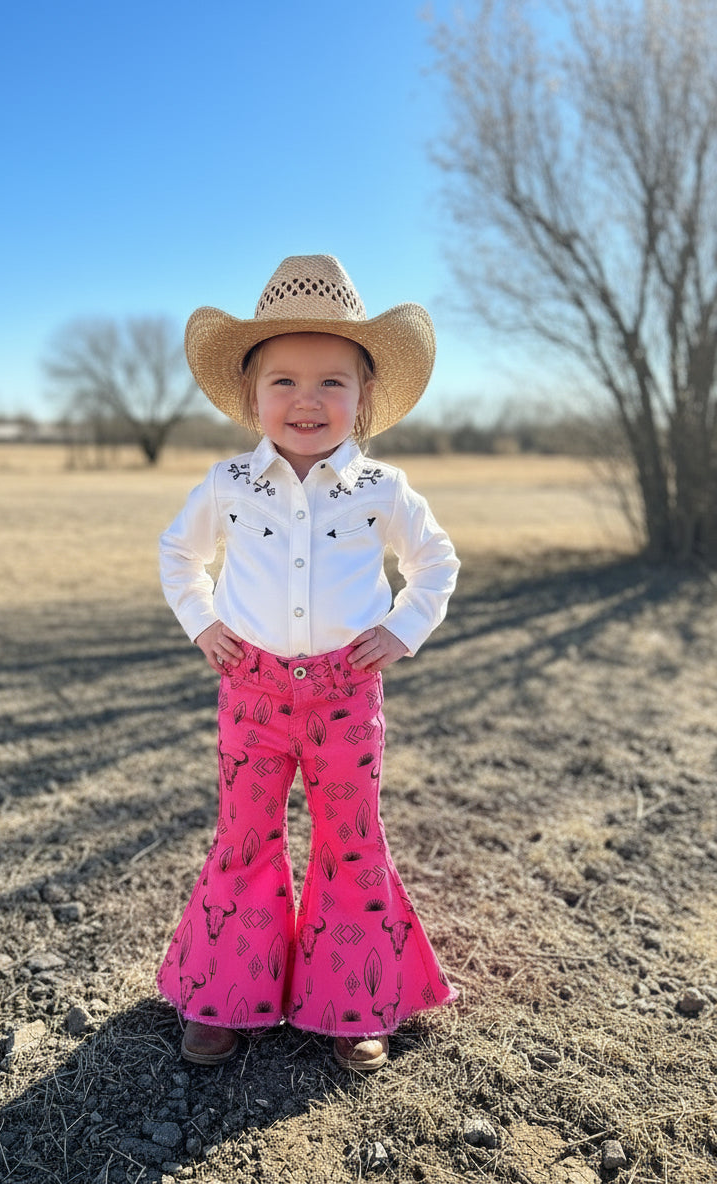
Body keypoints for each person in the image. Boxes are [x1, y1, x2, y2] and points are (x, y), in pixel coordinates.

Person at [157, 254, 459, 1071]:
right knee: (243, 837)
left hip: (344, 694)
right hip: (251, 690)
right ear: (252, 397)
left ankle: (354, 998)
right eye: (284, 381)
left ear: (364, 400)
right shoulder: (226, 485)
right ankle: (224, 994)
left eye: (333, 382)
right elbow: (178, 555)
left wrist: (403, 628)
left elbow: (436, 563)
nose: (307, 400)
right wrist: (202, 622)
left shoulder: (382, 487)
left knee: (351, 840)